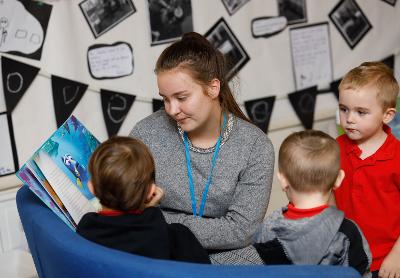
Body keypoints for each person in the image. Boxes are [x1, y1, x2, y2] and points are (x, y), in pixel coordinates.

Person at [130, 32, 274, 263]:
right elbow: (131, 210)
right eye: (165, 99)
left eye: (181, 97)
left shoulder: (255, 147)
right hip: (160, 251)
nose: (171, 109)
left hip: (230, 257)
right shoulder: (146, 134)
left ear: (213, 88)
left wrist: (160, 221)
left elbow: (240, 231)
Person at [252, 130, 371, 276]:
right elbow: (358, 272)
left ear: (282, 180)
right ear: (339, 179)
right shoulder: (346, 231)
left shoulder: (268, 228)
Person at [76, 136, 210, 264]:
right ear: (152, 191)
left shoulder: (86, 229)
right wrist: (150, 209)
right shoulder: (176, 237)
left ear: (91, 188)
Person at [334, 61, 400, 278]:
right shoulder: (335, 148)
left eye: (361, 112)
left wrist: (397, 254)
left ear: (387, 115)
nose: (349, 119)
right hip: (344, 256)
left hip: (387, 259)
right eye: (344, 109)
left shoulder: (397, 156)